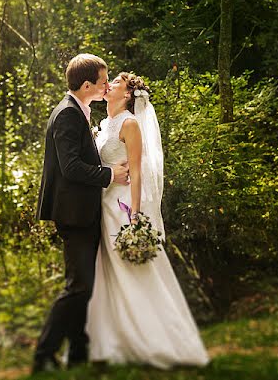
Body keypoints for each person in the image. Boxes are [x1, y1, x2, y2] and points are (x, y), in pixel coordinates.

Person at [86, 72, 210, 368]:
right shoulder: (104, 125)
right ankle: (117, 339)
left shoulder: (129, 124)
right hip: (104, 203)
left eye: (114, 83)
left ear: (127, 95)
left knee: (133, 268)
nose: (108, 85)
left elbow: (139, 171)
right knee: (110, 270)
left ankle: (160, 338)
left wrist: (137, 215)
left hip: (123, 204)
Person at [32, 54, 130, 374]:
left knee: (83, 285)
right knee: (79, 287)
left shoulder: (79, 112)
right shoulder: (67, 115)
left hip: (83, 211)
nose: (106, 86)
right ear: (87, 85)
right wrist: (108, 175)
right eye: (103, 81)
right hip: (73, 213)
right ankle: (44, 354)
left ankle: (77, 351)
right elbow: (70, 167)